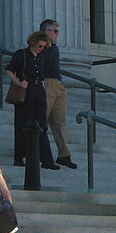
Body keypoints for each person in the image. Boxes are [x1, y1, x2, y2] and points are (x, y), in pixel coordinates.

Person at [6, 31, 60, 170]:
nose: (41, 49)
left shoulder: (42, 56)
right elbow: (9, 70)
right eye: (39, 46)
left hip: (39, 92)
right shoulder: (21, 54)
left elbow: (42, 77)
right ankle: (19, 157)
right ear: (33, 43)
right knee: (23, 124)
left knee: (42, 125)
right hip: (25, 92)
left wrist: (45, 95)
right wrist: (18, 82)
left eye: (43, 46)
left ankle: (46, 159)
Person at [40, 19, 77, 169]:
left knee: (59, 121)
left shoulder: (54, 48)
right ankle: (39, 154)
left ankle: (64, 155)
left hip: (57, 83)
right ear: (46, 31)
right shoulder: (40, 47)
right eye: (54, 31)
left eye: (57, 31)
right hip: (46, 83)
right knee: (41, 120)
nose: (57, 34)